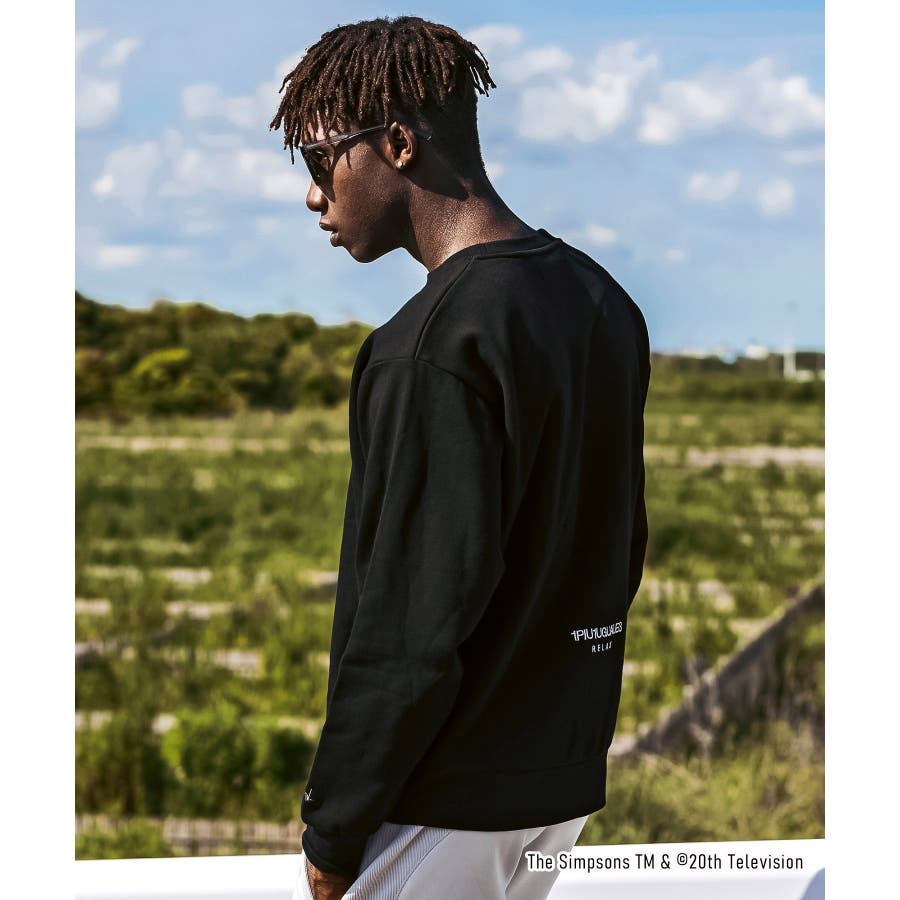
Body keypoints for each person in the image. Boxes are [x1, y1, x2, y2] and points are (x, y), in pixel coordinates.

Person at [269, 15, 650, 900]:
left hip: (444, 802)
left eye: (321, 159)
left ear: (397, 144)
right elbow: (619, 548)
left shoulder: (428, 347)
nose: (314, 195)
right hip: (558, 787)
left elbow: (409, 621)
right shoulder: (600, 301)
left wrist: (334, 830)